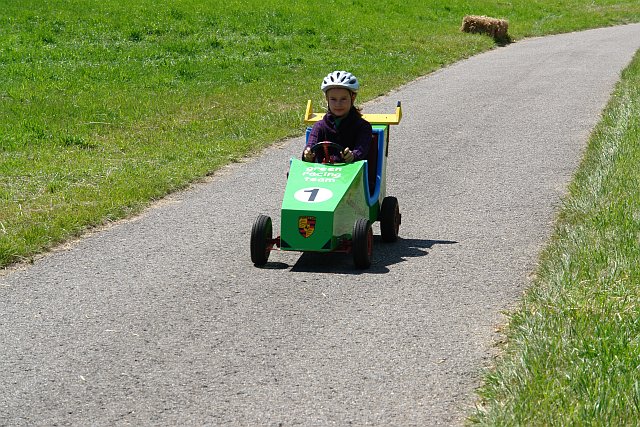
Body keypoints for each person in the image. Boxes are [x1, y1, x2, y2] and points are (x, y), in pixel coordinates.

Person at [303, 71, 372, 163]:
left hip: (351, 170)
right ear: (327, 99)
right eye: (333, 99)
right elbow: (311, 145)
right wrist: (308, 154)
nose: (338, 104)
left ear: (353, 98)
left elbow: (361, 150)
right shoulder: (320, 126)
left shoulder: (363, 127)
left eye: (343, 99)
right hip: (322, 171)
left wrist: (353, 156)